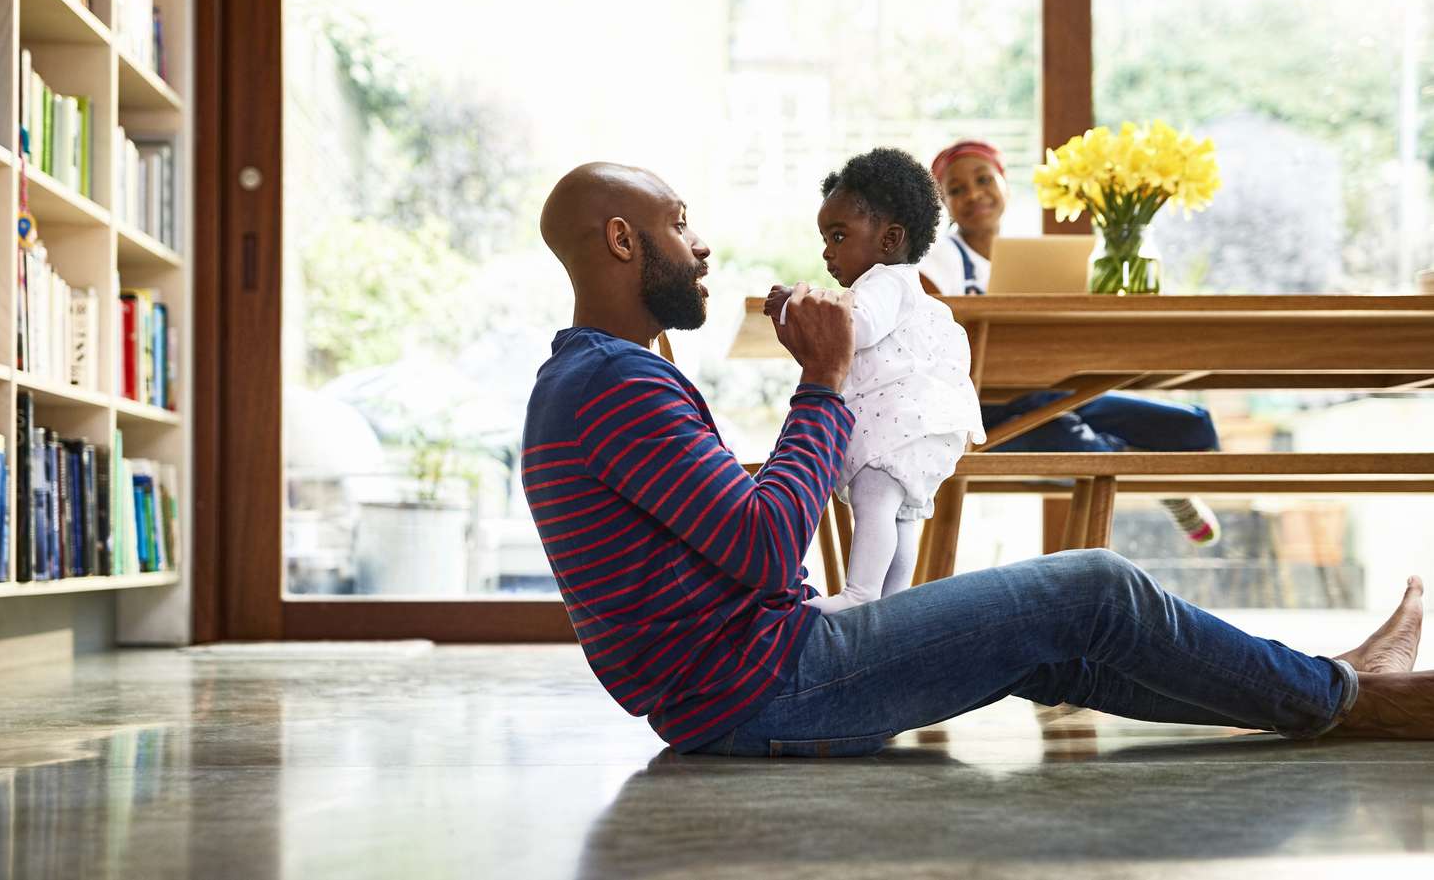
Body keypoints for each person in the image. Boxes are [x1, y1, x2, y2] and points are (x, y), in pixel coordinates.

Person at [522, 160, 1433, 757]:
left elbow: (740, 534)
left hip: (738, 691)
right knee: (1092, 588)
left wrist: (822, 412)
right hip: (769, 686)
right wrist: (827, 380)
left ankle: (1323, 688)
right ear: (622, 241)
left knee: (1065, 646)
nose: (704, 244)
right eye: (682, 224)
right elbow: (767, 546)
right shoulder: (616, 385)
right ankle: (1353, 694)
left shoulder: (593, 380)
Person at [922, 139, 1223, 548]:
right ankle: (1153, 479)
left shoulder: (1040, 259)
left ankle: (1131, 462)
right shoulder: (937, 259)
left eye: (983, 179)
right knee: (1077, 447)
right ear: (944, 204)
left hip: (1053, 391)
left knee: (1193, 428)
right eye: (955, 190)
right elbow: (929, 339)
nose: (974, 194)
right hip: (988, 409)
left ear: (1005, 183)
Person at [763, 148, 983, 613]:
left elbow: (851, 329)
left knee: (874, 503)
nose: (827, 252)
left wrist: (793, 304)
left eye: (838, 236)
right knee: (899, 515)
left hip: (894, 427)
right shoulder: (901, 283)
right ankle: (891, 605)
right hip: (913, 427)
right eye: (825, 238)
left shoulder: (883, 282)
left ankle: (861, 593)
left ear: (890, 239)